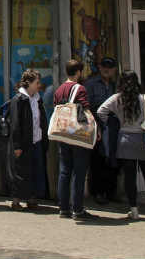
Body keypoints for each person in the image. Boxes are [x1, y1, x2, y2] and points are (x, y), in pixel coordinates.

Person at [97, 70, 145, 220]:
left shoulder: (117, 98)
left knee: (129, 178)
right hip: (144, 140)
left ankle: (134, 209)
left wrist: (113, 122)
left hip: (125, 140)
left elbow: (101, 111)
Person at [54, 59, 95, 220]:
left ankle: (63, 208)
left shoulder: (59, 89)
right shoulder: (80, 89)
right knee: (79, 172)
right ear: (78, 72)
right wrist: (94, 129)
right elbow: (85, 109)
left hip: (63, 133)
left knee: (64, 171)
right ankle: (77, 208)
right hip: (77, 134)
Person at [7, 69, 48, 211]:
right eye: (37, 82)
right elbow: (16, 124)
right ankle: (16, 200)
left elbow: (41, 120)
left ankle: (32, 198)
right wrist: (17, 145)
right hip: (23, 143)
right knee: (19, 171)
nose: (39, 85)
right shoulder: (19, 100)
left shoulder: (37, 99)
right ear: (28, 83)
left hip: (36, 140)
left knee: (34, 170)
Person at [84, 56, 120, 204]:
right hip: (97, 127)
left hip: (112, 127)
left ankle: (110, 192)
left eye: (110, 67)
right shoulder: (91, 84)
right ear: (99, 67)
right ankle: (98, 192)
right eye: (104, 66)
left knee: (112, 159)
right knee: (97, 160)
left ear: (114, 70)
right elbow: (87, 107)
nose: (106, 69)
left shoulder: (115, 85)